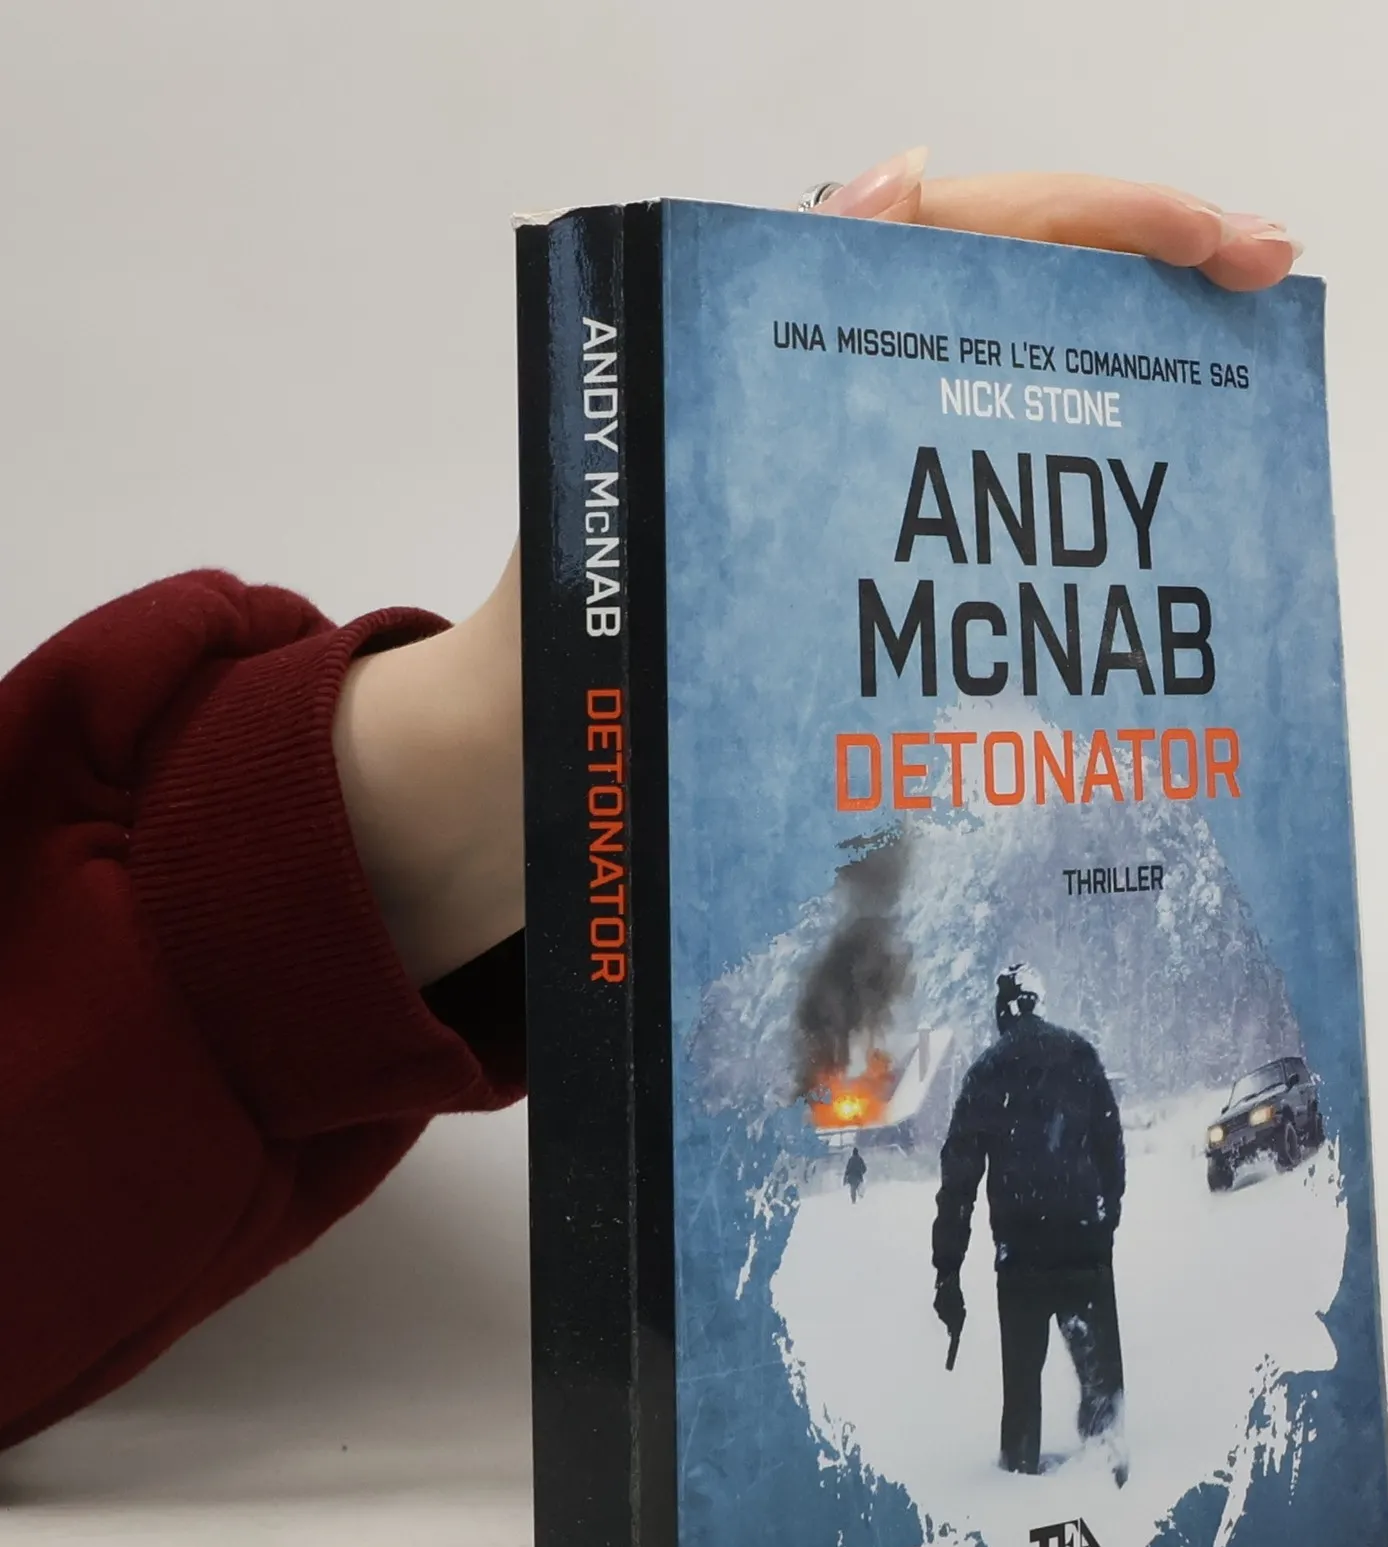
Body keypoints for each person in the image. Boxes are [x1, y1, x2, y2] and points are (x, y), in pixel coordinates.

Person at [0, 148, 1300, 1454]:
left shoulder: (1023, 1063)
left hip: (1016, 1241)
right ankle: (1096, 1449)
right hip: (1046, 1232)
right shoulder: (1057, 1059)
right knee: (1082, 1363)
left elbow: (975, 1159)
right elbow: (1022, 1151)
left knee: (1029, 1379)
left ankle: (1046, 1454)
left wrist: (476, 763)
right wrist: (491, 755)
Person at [931, 966, 1129, 1483]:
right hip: (1083, 1246)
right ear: (1037, 1003)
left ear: (1003, 1013)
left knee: (1021, 1392)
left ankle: (1018, 1483)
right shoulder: (1079, 1056)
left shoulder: (986, 1074)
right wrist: (1104, 1223)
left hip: (1021, 1257)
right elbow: (1111, 1149)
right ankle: (1112, 1477)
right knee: (1101, 1381)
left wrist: (947, 1269)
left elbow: (958, 1182)